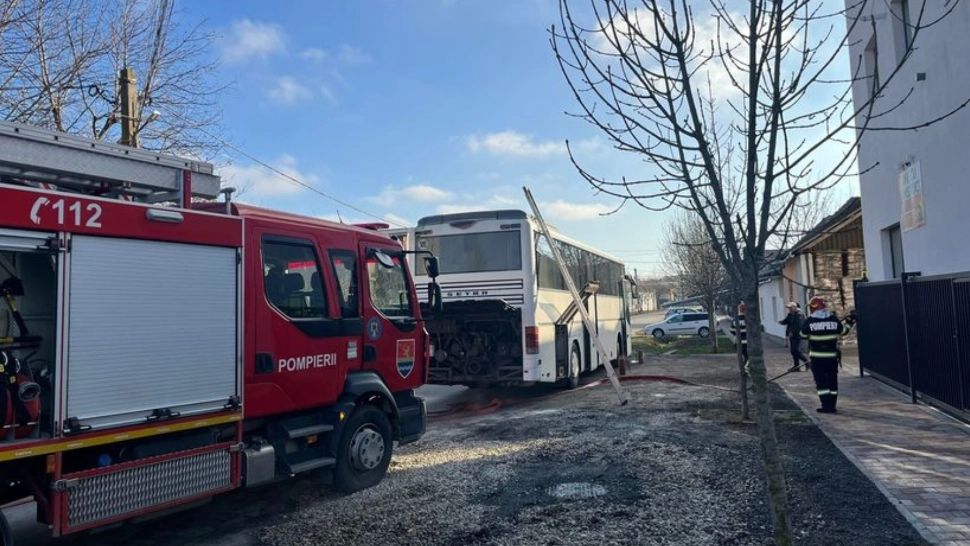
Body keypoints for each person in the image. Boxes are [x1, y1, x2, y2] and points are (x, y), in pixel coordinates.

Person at [800, 296, 845, 413]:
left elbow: (803, 335)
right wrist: (850, 322)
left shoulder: (809, 321)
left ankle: (826, 406)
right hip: (832, 357)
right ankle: (832, 405)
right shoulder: (833, 319)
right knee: (832, 381)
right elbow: (843, 331)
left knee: (821, 382)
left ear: (813, 308)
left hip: (817, 358)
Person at [779, 302, 809, 371]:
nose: (789, 309)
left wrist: (792, 332)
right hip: (792, 335)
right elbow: (786, 321)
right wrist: (782, 322)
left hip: (798, 335)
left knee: (796, 350)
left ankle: (807, 362)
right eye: (788, 308)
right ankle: (796, 366)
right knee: (793, 351)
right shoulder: (790, 314)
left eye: (790, 308)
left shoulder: (799, 314)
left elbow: (799, 326)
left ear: (794, 307)